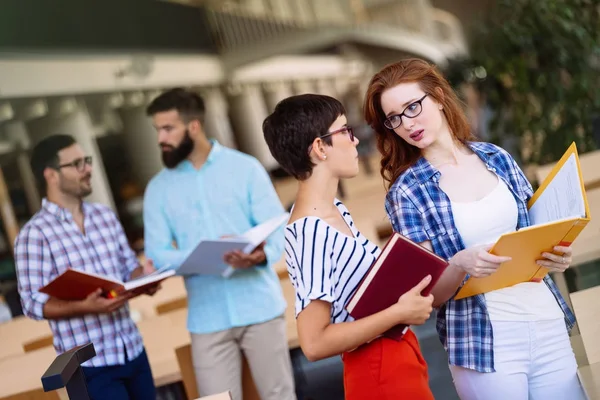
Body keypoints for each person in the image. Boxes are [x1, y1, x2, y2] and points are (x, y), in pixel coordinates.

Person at [363, 58, 585, 400]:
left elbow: (537, 231)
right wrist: (459, 263)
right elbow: (428, 297)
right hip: (483, 344)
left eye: (412, 107)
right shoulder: (407, 192)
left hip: (545, 320)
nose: (407, 124)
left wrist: (557, 252)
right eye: (394, 118)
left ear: (437, 96)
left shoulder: (496, 157)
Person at [263, 93, 436, 399]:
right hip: (376, 368)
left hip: (397, 355)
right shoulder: (309, 232)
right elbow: (314, 343)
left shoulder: (334, 210)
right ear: (319, 147)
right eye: (345, 131)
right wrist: (398, 313)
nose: (355, 141)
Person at [143, 88, 296, 400]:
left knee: (279, 396)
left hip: (260, 307)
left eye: (168, 128)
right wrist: (206, 254)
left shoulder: (246, 168)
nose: (161, 138)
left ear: (194, 126)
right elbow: (157, 254)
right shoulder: (157, 189)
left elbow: (277, 231)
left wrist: (257, 256)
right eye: (157, 129)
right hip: (206, 317)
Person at [15, 134, 158, 400]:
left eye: (87, 161)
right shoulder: (34, 234)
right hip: (89, 367)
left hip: (133, 350)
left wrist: (144, 278)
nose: (88, 168)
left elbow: (128, 270)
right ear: (51, 175)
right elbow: (33, 304)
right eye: (77, 163)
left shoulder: (104, 216)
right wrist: (86, 307)